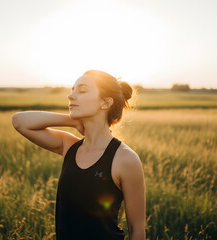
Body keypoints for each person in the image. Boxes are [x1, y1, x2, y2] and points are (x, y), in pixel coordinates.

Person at [11, 70, 146, 240]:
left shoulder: (125, 159)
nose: (70, 96)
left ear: (105, 103)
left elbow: (138, 231)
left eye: (82, 90)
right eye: (72, 90)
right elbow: (19, 121)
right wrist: (72, 120)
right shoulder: (68, 146)